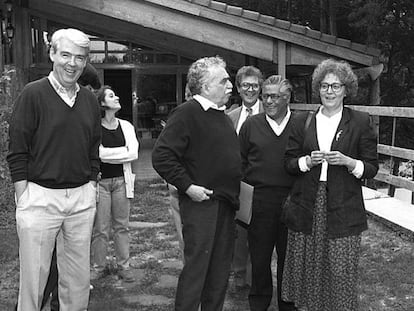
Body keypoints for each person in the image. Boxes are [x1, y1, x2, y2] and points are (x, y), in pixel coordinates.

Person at [7, 28, 101, 311]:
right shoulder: (32, 94)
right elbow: (17, 149)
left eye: (80, 58)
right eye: (65, 55)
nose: (72, 64)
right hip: (40, 199)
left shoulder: (89, 100)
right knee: (34, 283)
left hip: (81, 200)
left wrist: (92, 185)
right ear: (52, 55)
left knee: (77, 282)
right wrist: (23, 194)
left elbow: (93, 147)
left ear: (85, 62)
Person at [281, 59, 379, 311]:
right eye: (325, 86)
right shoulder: (302, 120)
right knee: (308, 264)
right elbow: (288, 163)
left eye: (336, 86)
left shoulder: (359, 121)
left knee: (339, 266)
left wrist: (348, 162)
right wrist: (306, 161)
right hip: (307, 204)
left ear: (347, 89)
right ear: (318, 88)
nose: (330, 91)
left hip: (343, 206)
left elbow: (371, 168)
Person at [152, 56, 241, 311]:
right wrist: (189, 187)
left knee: (219, 273)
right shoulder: (187, 113)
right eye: (223, 81)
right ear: (204, 86)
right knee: (197, 273)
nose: (230, 86)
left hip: (225, 205)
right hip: (202, 207)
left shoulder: (221, 117)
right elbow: (162, 156)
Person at [37, 63, 102, 311]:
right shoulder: (44, 103)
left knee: (68, 262)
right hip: (50, 198)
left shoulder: (86, 108)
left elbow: (91, 149)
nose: (87, 94)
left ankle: (58, 303)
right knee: (47, 264)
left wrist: (91, 177)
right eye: (86, 87)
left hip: (79, 195)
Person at [239, 75, 301, 311]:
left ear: (288, 98)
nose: (269, 101)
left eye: (275, 96)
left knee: (289, 259)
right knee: (260, 258)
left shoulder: (301, 124)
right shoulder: (251, 125)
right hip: (260, 202)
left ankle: (287, 304)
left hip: (292, 201)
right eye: (266, 96)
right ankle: (259, 303)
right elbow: (240, 161)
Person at [90, 85, 139, 282]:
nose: (117, 97)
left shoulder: (126, 126)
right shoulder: (94, 127)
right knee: (100, 229)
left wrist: (108, 155)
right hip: (101, 184)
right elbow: (97, 154)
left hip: (121, 182)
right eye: (111, 96)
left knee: (122, 226)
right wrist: (121, 153)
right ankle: (98, 267)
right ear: (102, 103)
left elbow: (133, 153)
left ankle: (124, 266)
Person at [227, 65, 264, 289]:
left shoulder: (271, 112)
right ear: (238, 89)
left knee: (262, 233)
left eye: (255, 85)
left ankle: (256, 276)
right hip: (239, 183)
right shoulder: (229, 117)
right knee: (239, 232)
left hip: (264, 182)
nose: (250, 90)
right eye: (245, 85)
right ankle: (239, 274)